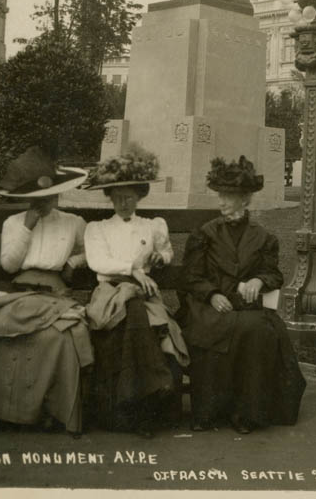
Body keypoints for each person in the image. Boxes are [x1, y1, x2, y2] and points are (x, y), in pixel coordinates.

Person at [0, 146, 93, 435]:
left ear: (57, 193)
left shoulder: (73, 223)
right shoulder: (14, 223)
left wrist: (73, 260)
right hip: (17, 292)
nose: (43, 203)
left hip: (53, 295)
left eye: (48, 197)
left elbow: (91, 250)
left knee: (59, 337)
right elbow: (8, 265)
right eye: (36, 199)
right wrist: (27, 227)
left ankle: (50, 412)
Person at [177, 156, 306, 433]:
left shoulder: (264, 237)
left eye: (229, 196)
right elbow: (191, 277)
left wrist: (259, 280)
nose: (221, 202)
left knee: (256, 329)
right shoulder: (205, 234)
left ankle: (247, 414)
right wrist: (211, 295)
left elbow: (274, 274)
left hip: (246, 306)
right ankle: (209, 412)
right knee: (216, 326)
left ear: (245, 199)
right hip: (209, 305)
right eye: (220, 195)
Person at [84, 146, 189, 438]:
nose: (123, 203)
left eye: (129, 197)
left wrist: (161, 258)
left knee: (144, 316)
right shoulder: (98, 229)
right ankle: (150, 390)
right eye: (117, 197)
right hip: (110, 293)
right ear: (110, 198)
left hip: (143, 294)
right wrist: (134, 270)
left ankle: (139, 402)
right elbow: (98, 262)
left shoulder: (152, 226)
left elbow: (166, 250)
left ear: (140, 196)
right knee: (131, 312)